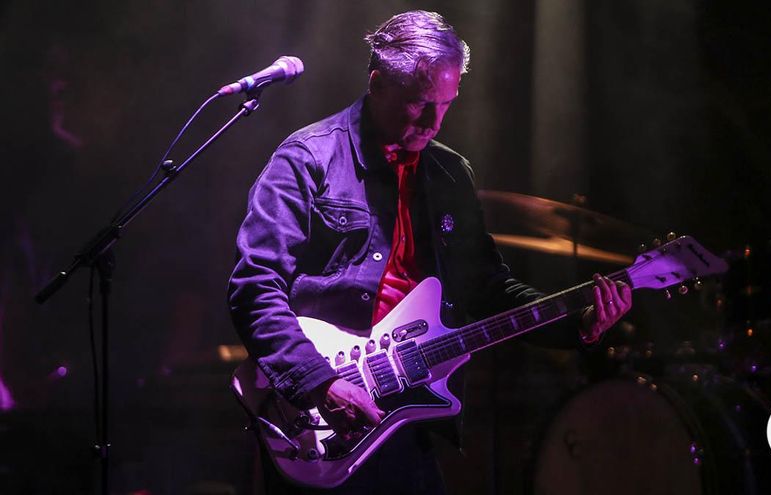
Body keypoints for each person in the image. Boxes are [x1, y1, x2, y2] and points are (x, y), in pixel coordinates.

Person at [227, 10, 632, 494]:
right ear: (378, 84)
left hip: (409, 417)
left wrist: (577, 322)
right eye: (420, 103)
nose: (434, 121)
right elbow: (255, 286)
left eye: (446, 104)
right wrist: (320, 383)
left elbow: (488, 286)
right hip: (318, 414)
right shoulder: (307, 159)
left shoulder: (449, 175)